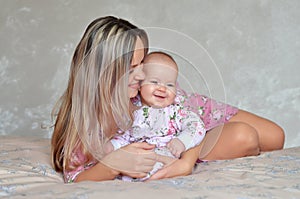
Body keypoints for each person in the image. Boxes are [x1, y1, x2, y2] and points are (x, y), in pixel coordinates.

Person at [51, 16, 285, 183]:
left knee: (275, 136)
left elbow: (188, 116)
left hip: (190, 118)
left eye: (143, 64)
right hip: (173, 139)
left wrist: (186, 161)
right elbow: (75, 177)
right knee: (245, 136)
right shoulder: (83, 120)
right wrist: (112, 165)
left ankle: (219, 146)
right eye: (132, 68)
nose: (143, 75)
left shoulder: (145, 89)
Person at [104, 52, 206, 181]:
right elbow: (125, 137)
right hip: (136, 161)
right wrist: (112, 146)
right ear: (139, 85)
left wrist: (182, 141)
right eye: (154, 82)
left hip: (164, 159)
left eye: (170, 85)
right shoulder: (132, 112)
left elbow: (197, 126)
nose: (162, 88)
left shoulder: (175, 112)